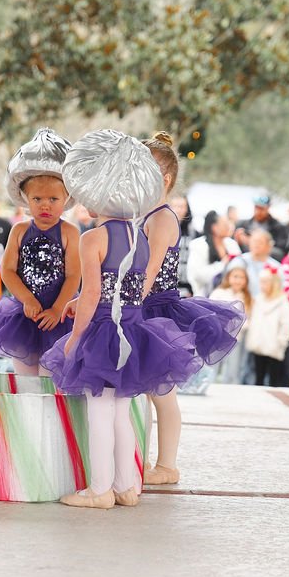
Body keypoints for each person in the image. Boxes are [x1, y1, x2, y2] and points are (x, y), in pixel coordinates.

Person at [40, 129, 202, 509]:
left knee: (99, 411)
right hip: (132, 331)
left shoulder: (92, 238)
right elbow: (127, 288)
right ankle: (127, 486)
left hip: (103, 334)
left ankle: (99, 489)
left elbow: (96, 295)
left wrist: (74, 338)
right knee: (121, 411)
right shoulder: (137, 235)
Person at [138, 131, 245, 486]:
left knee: (162, 394)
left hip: (156, 310)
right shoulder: (146, 215)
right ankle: (142, 457)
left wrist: (126, 300)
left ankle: (167, 465)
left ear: (165, 180)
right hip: (146, 308)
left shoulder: (162, 217)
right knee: (145, 392)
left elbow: (150, 270)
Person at [0, 129, 80, 376]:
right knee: (25, 379)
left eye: (53, 199)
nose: (45, 205)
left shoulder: (70, 232)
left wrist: (57, 308)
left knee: (49, 379)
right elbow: (7, 270)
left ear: (66, 198)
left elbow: (74, 275)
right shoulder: (19, 230)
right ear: (25, 198)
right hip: (24, 316)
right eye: (37, 198)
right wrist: (27, 299)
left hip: (58, 316)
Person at [246, 269, 289, 387]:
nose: (262, 285)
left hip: (274, 346)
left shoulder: (282, 302)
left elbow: (287, 324)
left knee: (274, 380)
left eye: (265, 282)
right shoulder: (258, 299)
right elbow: (253, 319)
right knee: (258, 377)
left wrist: (281, 341)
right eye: (261, 282)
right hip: (259, 344)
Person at [209, 260, 252, 384]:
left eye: (241, 277)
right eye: (235, 276)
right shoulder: (219, 293)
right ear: (228, 277)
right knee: (213, 365)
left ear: (246, 281)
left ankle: (231, 390)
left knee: (233, 367)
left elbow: (248, 319)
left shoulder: (246, 298)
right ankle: (209, 386)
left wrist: (237, 327)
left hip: (235, 338)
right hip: (217, 336)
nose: (238, 280)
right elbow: (210, 312)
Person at [186, 210, 240, 297]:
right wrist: (222, 265)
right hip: (206, 298)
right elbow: (197, 275)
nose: (228, 227)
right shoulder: (198, 245)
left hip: (231, 297)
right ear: (214, 227)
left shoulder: (232, 244)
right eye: (225, 224)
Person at [240, 228, 281, 298]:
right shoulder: (239, 261)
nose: (256, 244)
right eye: (254, 241)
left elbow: (280, 290)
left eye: (260, 242)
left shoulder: (276, 267)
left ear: (269, 246)